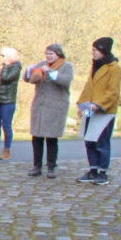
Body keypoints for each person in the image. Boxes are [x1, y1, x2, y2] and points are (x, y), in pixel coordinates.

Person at [76, 37, 121, 185]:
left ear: (103, 51)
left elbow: (113, 92)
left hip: (104, 112)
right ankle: (92, 170)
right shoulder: (95, 66)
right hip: (90, 109)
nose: (93, 53)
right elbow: (89, 86)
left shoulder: (114, 68)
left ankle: (102, 172)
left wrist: (99, 104)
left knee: (101, 143)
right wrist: (81, 104)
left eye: (95, 50)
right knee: (89, 141)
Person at [24, 44, 73, 178]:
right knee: (37, 136)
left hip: (56, 106)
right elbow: (29, 79)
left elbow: (66, 81)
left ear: (58, 54)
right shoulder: (41, 64)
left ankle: (51, 166)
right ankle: (36, 166)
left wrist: (51, 73)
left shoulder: (66, 66)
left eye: (51, 54)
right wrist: (29, 72)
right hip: (40, 105)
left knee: (51, 138)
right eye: (47, 54)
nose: (48, 56)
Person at [0, 47, 22, 159]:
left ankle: (7, 149)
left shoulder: (15, 68)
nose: (0, 58)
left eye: (3, 56)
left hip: (8, 101)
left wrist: (6, 66)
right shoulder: (1, 67)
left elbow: (6, 78)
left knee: (6, 125)